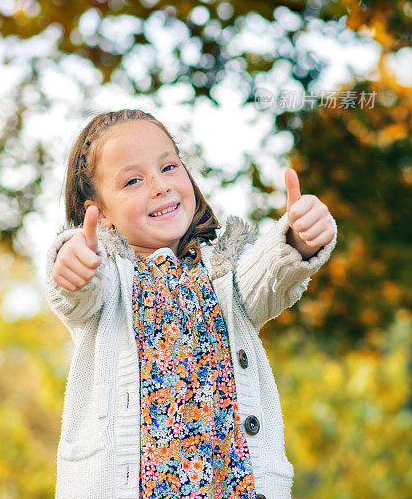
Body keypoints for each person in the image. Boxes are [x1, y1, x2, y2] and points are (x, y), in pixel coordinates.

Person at [45, 108, 338, 499]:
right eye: (133, 180)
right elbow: (79, 292)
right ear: (100, 213)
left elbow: (269, 275)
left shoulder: (222, 273)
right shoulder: (109, 279)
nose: (159, 186)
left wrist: (299, 239)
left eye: (168, 167)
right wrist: (74, 262)